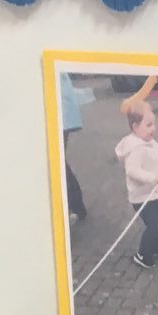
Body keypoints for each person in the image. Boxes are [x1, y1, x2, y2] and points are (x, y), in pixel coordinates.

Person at [115, 101, 158, 269]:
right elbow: (132, 171)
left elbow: (157, 160)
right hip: (141, 196)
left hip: (151, 192)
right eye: (148, 125)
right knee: (153, 223)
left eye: (153, 124)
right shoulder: (135, 148)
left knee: (157, 220)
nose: (153, 128)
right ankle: (142, 254)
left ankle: (154, 246)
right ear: (135, 127)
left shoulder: (151, 143)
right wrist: (152, 178)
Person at [59, 72, 87, 224]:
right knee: (57, 162)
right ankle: (76, 206)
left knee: (56, 162)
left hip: (58, 108)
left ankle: (76, 207)